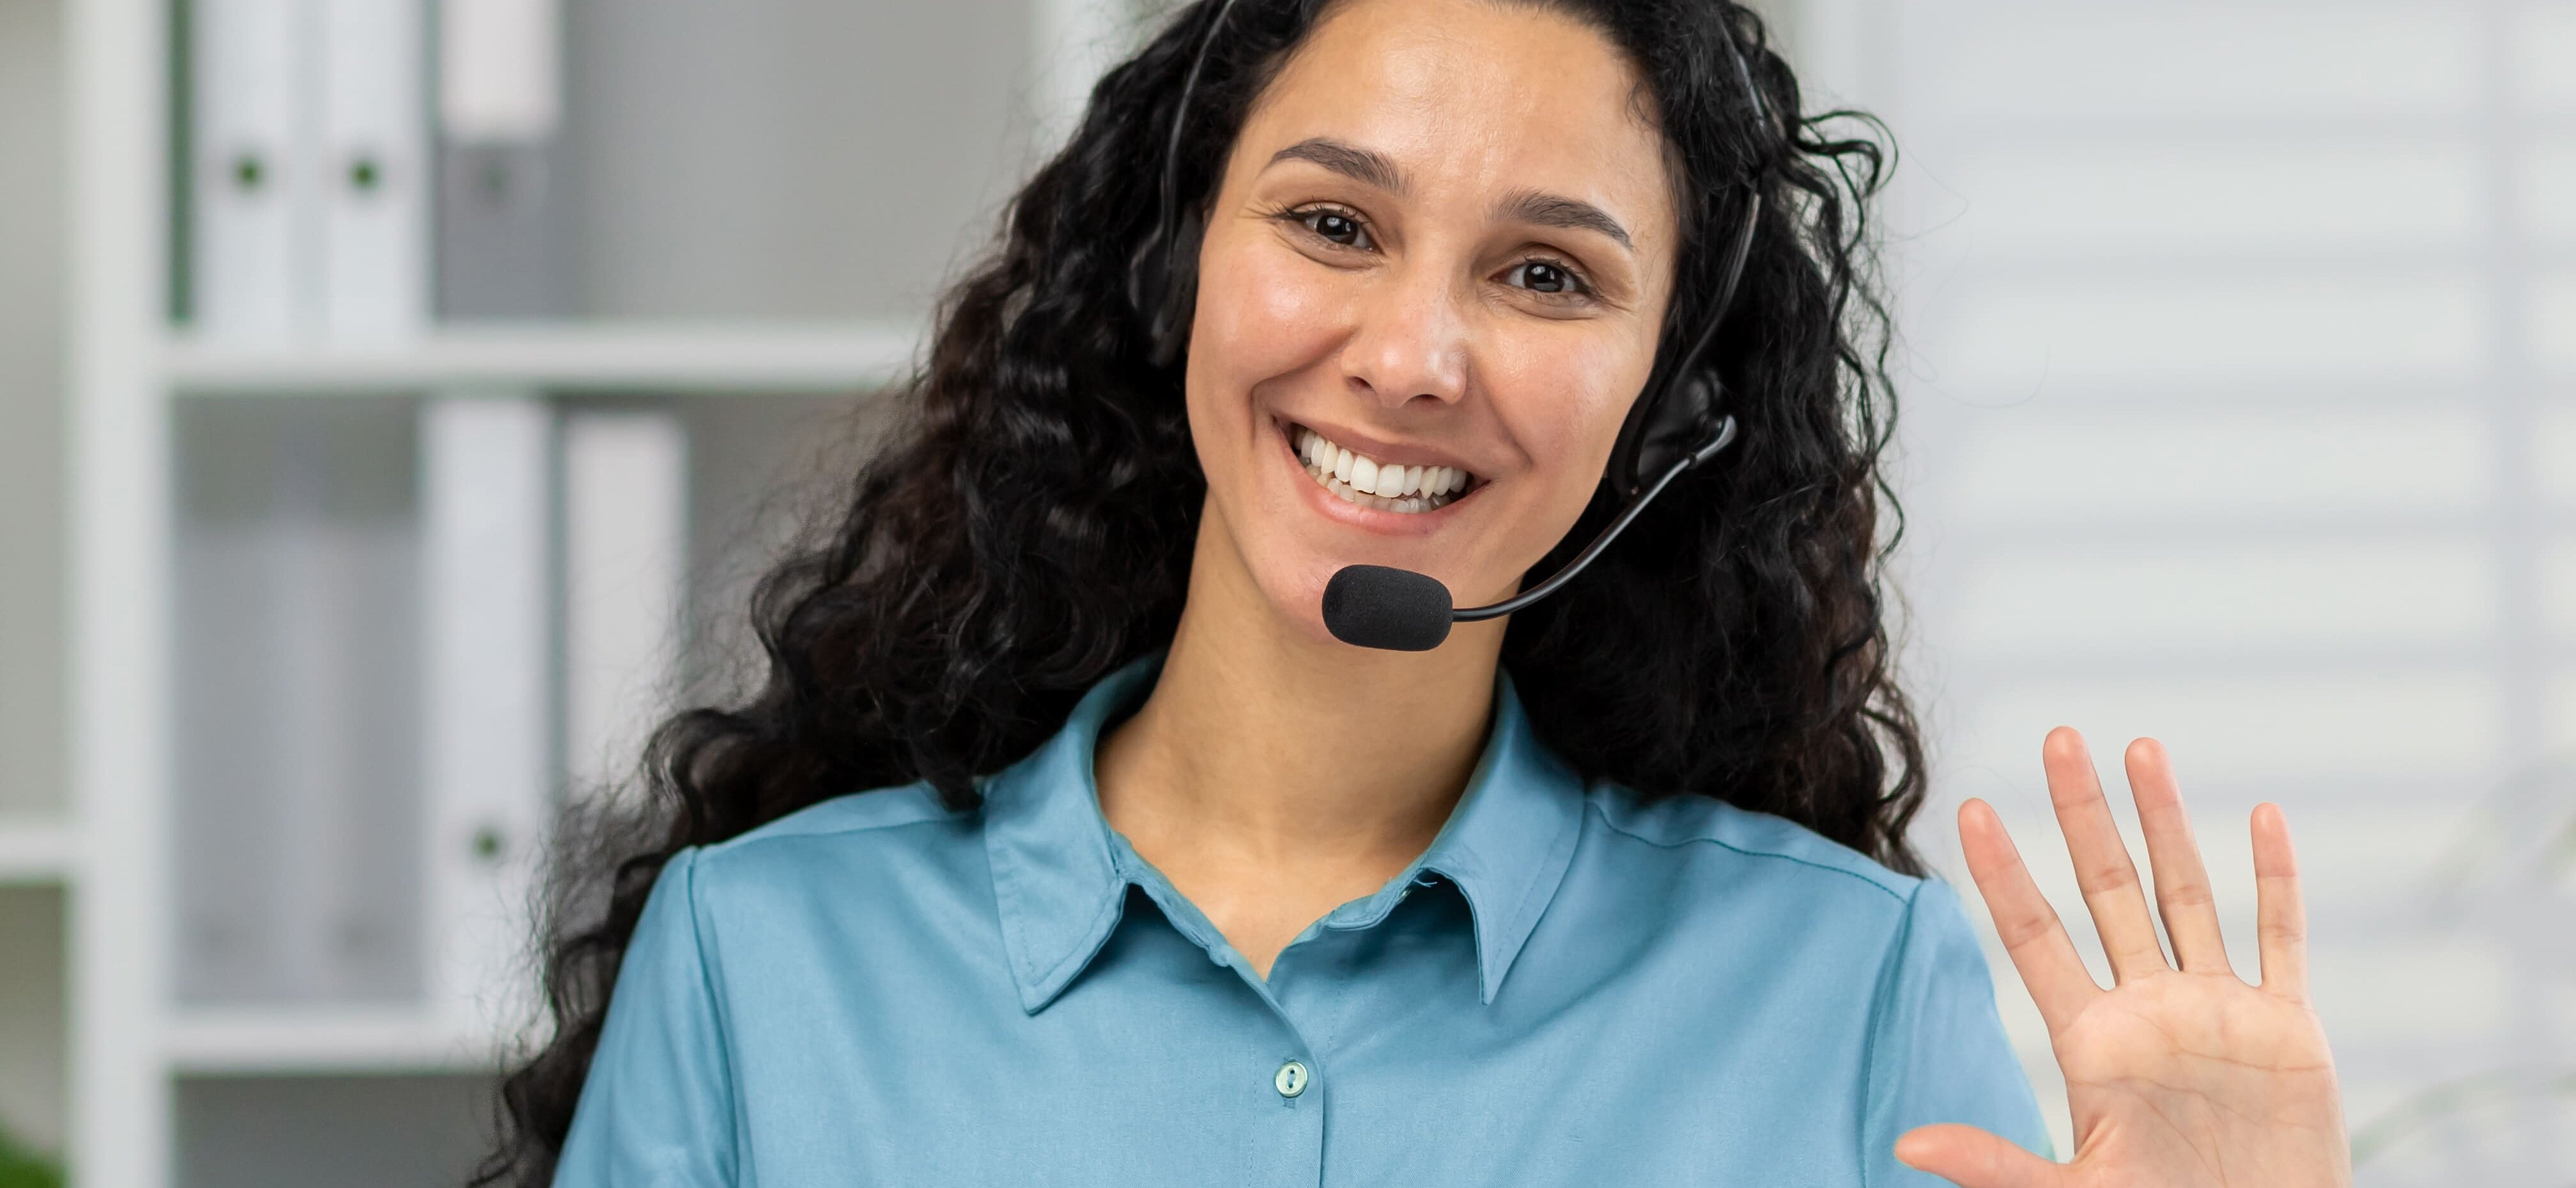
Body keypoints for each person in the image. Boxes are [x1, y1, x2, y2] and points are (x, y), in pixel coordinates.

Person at [482, 1, 2347, 1184]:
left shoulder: (1848, 986)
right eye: (1332, 224)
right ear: (1175, 274)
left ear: (1664, 408)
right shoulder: (767, 959)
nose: (1415, 353)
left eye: (1546, 275)